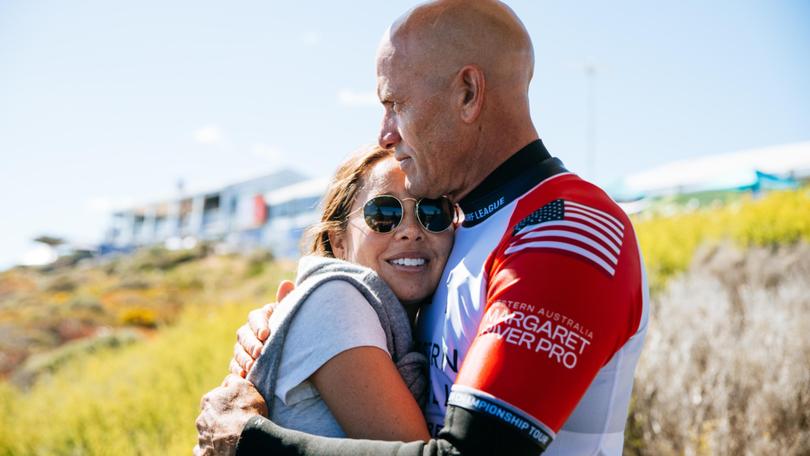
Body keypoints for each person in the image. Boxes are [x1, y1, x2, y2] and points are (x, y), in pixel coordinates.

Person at [196, 0, 649, 455]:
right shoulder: (462, 229)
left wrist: (250, 444)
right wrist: (286, 322)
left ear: (468, 93)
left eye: (395, 104)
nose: (384, 134)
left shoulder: (567, 227)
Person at [193, 146, 454, 453]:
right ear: (339, 242)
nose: (411, 231)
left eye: (432, 212)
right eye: (384, 214)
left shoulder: (390, 320)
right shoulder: (336, 300)